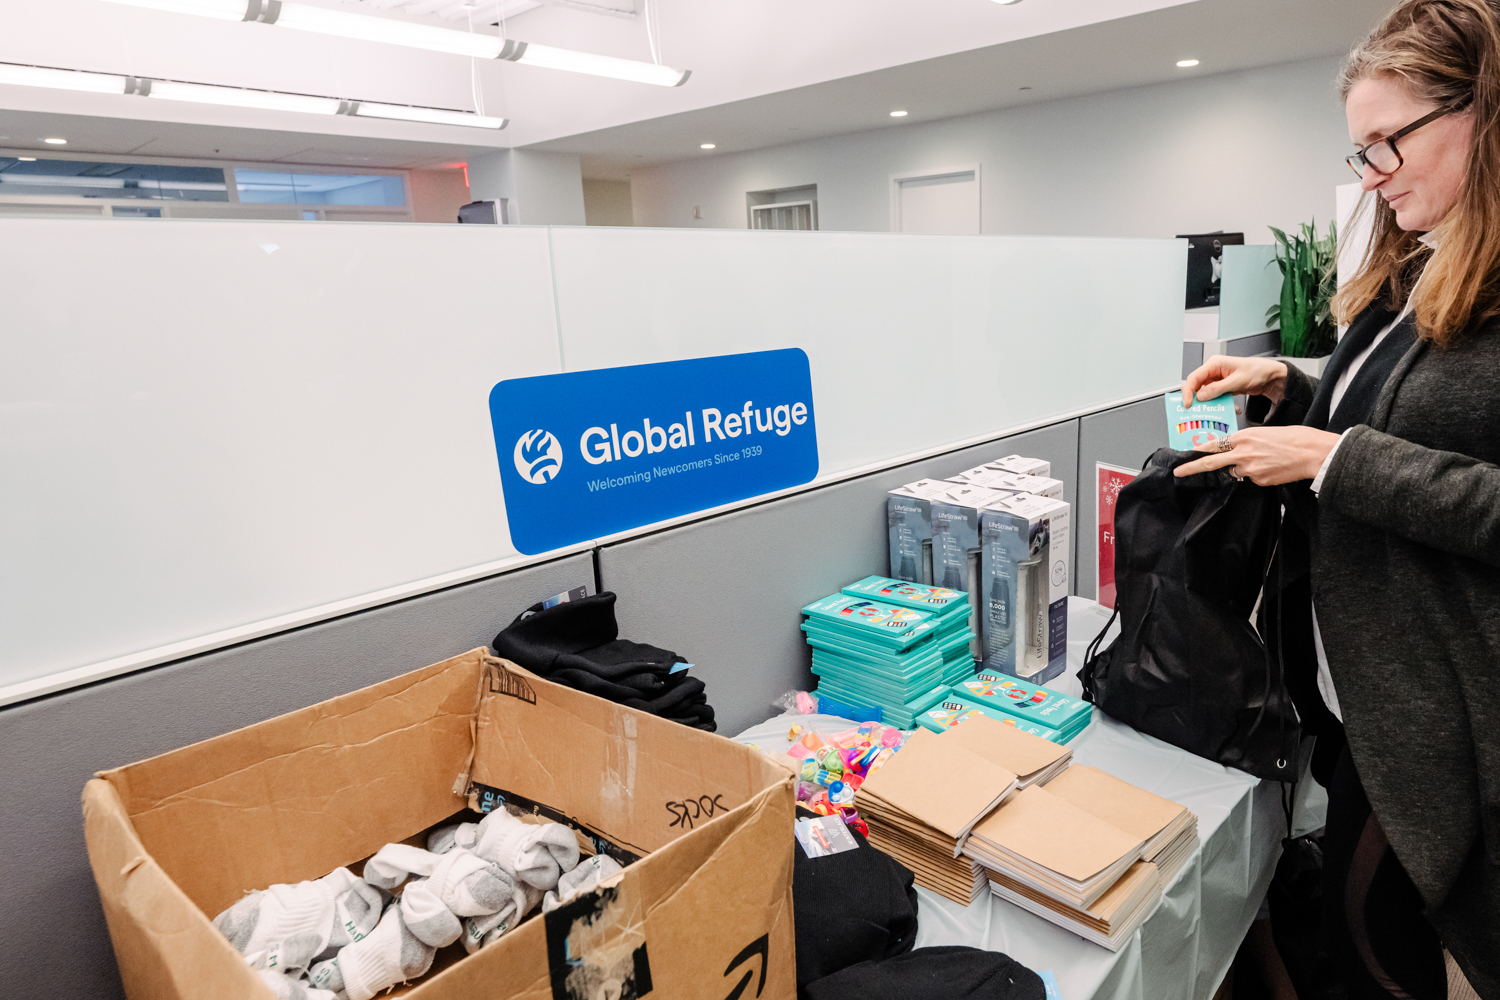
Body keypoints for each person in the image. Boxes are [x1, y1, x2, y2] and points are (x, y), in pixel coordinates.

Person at [1176, 1, 1500, 996]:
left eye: (1385, 143)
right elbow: (1405, 421)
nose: (1372, 173)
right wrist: (1289, 388)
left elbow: (1406, 467)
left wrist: (1331, 458)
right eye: (1360, 151)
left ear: (1480, 112)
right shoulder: (1422, 261)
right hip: (1363, 693)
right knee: (1361, 937)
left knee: (1378, 944)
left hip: (1441, 721)